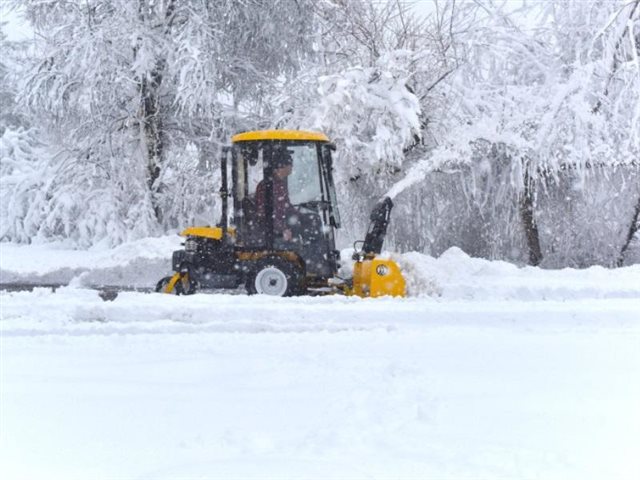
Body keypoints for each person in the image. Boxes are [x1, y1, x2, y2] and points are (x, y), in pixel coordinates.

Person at [255, 150, 298, 243]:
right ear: (282, 166)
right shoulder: (266, 186)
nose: (292, 167)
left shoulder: (280, 185)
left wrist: (299, 216)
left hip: (280, 225)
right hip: (270, 232)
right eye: (290, 164)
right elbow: (264, 214)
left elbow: (287, 205)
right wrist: (282, 229)